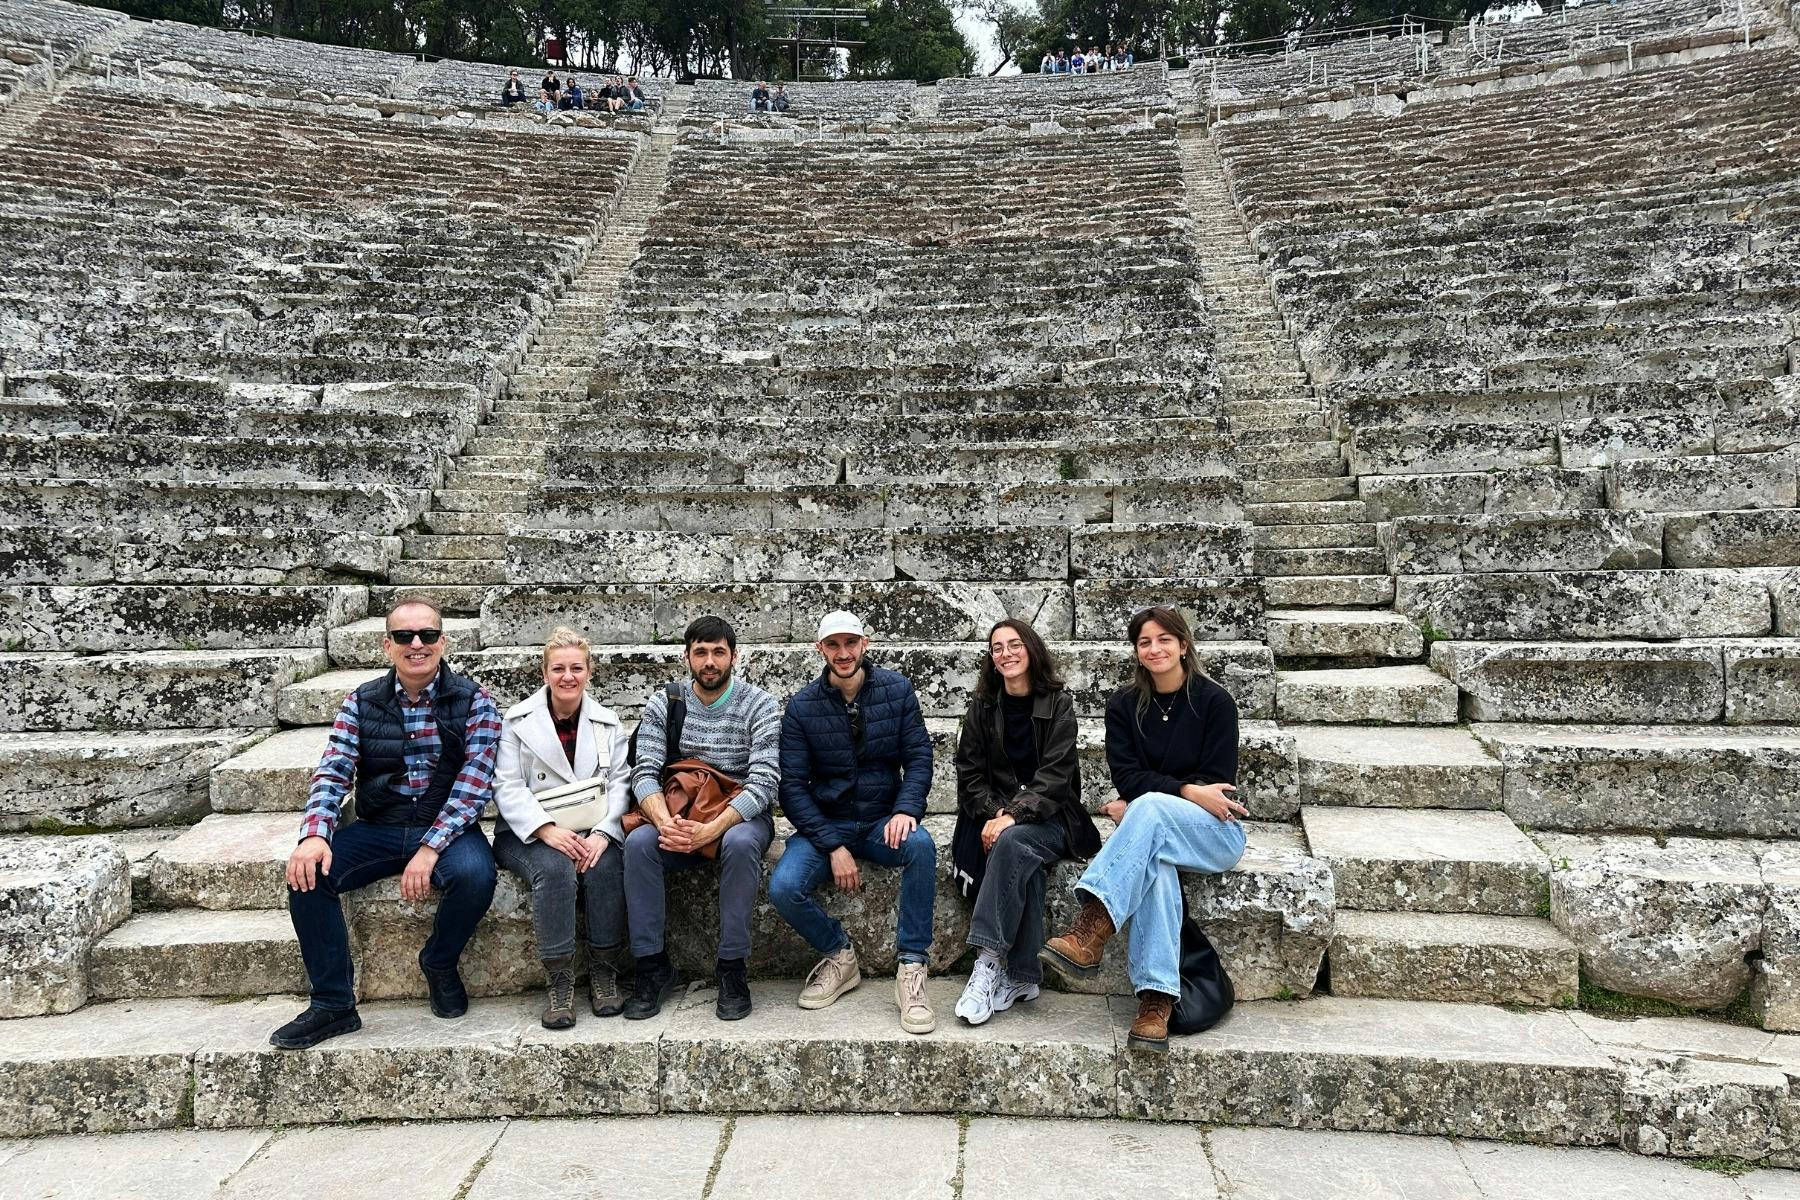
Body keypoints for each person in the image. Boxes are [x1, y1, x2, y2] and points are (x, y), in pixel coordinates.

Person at [272, 599, 502, 1050]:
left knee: (476, 875)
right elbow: (334, 769)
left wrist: (431, 847)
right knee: (307, 876)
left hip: (445, 824)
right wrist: (315, 833)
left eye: (427, 635)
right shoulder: (361, 701)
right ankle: (333, 1004)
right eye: (404, 636)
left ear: (443, 642)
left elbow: (475, 784)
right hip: (381, 823)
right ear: (387, 645)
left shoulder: (475, 701)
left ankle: (439, 960)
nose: (417, 645)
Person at [1039, 606, 1249, 1053]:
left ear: (1183, 646)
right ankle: (1155, 1002)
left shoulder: (1216, 702)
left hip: (1216, 832)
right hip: (1160, 829)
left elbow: (1217, 785)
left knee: (1149, 808)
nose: (1154, 649)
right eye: (1144, 642)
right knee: (1155, 867)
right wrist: (1185, 792)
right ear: (1136, 652)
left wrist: (1149, 803)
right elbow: (1128, 778)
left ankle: (1092, 928)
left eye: (1164, 640)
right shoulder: (1124, 706)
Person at [769, 611, 937, 1035]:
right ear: (819, 650)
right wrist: (831, 844)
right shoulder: (802, 707)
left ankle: (912, 968)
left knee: (921, 848)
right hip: (828, 825)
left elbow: (918, 757)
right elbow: (792, 787)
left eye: (850, 643)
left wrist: (905, 809)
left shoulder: (897, 690)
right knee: (785, 886)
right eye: (833, 645)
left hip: (883, 819)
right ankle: (840, 955)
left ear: (865, 644)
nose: (842, 653)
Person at [622, 615, 781, 1022]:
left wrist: (710, 829)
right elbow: (644, 771)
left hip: (739, 812)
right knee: (639, 844)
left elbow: (764, 783)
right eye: (701, 653)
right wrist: (664, 822)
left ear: (734, 657)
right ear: (687, 657)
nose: (710, 661)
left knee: (741, 843)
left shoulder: (759, 704)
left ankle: (732, 968)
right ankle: (652, 966)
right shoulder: (667, 702)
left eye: (718, 652)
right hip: (679, 811)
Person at [951, 620, 1099, 1026]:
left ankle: (988, 961)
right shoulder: (983, 706)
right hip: (998, 817)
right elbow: (969, 772)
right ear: (991, 659)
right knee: (1019, 854)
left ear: (1031, 650)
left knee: (1013, 843)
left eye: (1014, 645)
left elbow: (1055, 778)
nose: (1006, 654)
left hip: (1055, 818)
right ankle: (1022, 977)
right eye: (997, 648)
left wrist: (1014, 816)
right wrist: (996, 813)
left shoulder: (1059, 705)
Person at [492, 627, 632, 1029]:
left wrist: (604, 834)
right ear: (544, 673)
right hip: (527, 832)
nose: (567, 676)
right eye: (558, 668)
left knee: (604, 865)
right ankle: (559, 980)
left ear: (589, 672)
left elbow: (621, 782)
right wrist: (547, 830)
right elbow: (506, 784)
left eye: (576, 668)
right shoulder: (517, 721)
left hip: (592, 826)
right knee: (554, 869)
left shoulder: (607, 723)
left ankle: (605, 971)